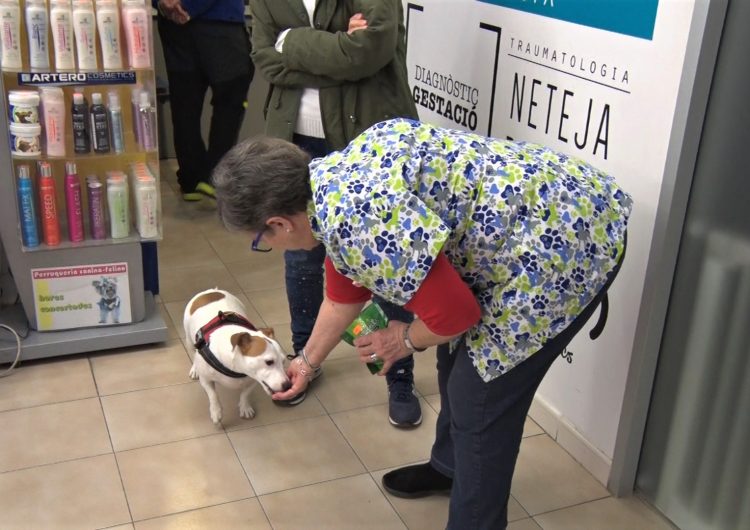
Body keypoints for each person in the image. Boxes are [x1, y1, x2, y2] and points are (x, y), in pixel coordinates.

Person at [212, 118, 632, 529]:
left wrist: (403, 338)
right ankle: (449, 468)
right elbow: (344, 295)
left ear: (279, 224)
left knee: (478, 400)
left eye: (259, 240)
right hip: (537, 219)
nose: (265, 246)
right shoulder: (325, 188)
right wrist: (304, 363)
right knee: (454, 361)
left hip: (569, 238)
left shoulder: (361, 219)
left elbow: (456, 316)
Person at [248, 0, 422, 425]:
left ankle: (398, 372)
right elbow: (266, 59)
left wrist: (294, 43)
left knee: (386, 260)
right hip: (295, 143)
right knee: (302, 257)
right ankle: (306, 356)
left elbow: (372, 51)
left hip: (368, 140)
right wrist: (338, 47)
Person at [156, 0, 254, 201]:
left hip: (175, 25)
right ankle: (213, 177)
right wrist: (189, 6)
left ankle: (191, 179)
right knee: (230, 101)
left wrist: (164, 3)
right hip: (220, 22)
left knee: (184, 104)